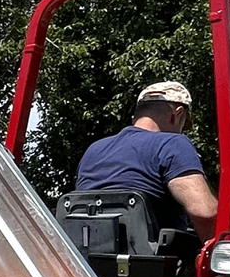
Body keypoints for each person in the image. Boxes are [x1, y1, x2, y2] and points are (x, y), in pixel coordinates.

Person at [74, 81, 219, 240]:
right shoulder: (172, 143)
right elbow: (205, 212)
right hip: (155, 255)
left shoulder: (94, 150)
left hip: (85, 253)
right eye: (183, 126)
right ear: (176, 115)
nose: (182, 132)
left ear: (136, 116)